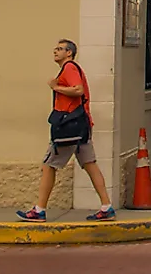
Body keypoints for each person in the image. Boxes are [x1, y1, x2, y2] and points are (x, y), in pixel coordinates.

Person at [17, 39, 116, 222]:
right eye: (55, 48)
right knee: (90, 164)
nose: (55, 51)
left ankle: (39, 210)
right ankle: (106, 206)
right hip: (82, 125)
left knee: (49, 165)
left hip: (70, 126)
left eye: (60, 49)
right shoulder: (70, 68)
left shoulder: (69, 68)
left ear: (69, 53)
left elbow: (77, 90)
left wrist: (56, 87)